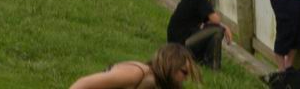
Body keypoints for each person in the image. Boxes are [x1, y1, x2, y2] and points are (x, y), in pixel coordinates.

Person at [166, 0, 232, 69]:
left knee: (215, 29)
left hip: (177, 44)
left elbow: (209, 22)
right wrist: (225, 27)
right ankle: (213, 66)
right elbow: (216, 20)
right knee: (218, 30)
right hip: (182, 45)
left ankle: (207, 63)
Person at [68, 43, 201, 89]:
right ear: (170, 64)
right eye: (184, 72)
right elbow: (82, 83)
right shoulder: (136, 72)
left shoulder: (156, 83)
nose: (185, 78)